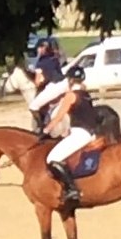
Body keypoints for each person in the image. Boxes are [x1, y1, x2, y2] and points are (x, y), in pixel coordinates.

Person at [42, 65, 97, 204]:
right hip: (90, 132)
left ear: (70, 80)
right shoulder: (86, 95)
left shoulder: (70, 95)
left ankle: (72, 189)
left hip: (81, 134)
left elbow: (59, 116)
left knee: (52, 158)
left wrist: (45, 131)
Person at [28, 38, 68, 130]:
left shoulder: (41, 62)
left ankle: (41, 127)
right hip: (65, 83)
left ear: (44, 48)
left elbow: (38, 82)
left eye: (39, 47)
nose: (38, 50)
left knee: (33, 106)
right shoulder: (55, 58)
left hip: (54, 86)